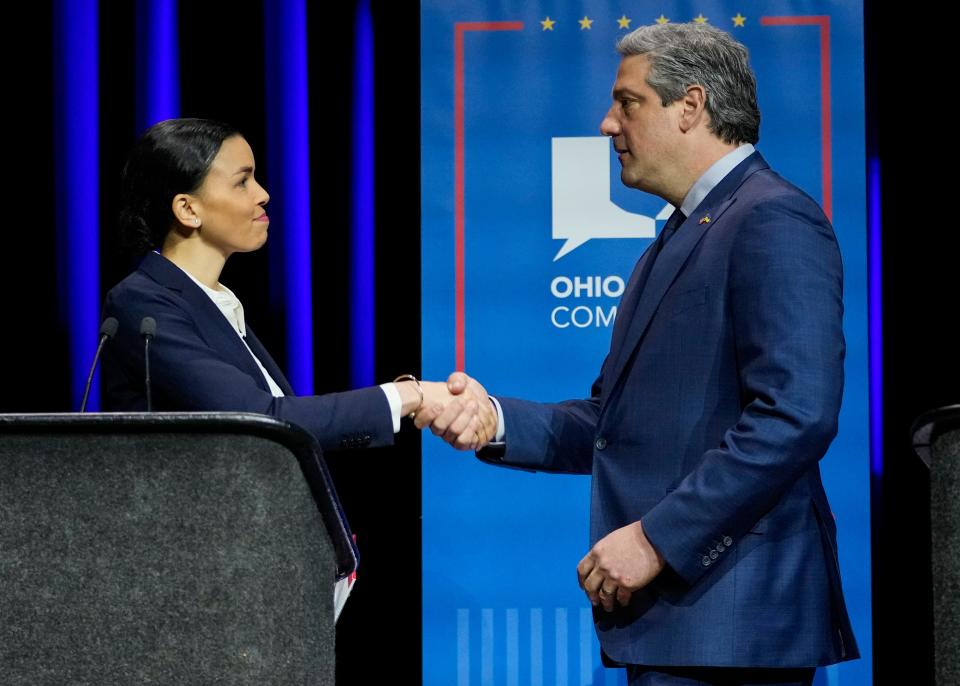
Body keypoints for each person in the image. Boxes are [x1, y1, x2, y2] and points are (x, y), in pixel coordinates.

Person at [430, 23, 859, 685]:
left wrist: (659, 537)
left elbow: (795, 414)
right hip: (680, 628)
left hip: (733, 626)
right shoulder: (672, 243)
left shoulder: (771, 218)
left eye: (627, 103)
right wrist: (493, 418)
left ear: (691, 106)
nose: (606, 124)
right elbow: (612, 425)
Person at [102, 118, 495, 452]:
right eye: (243, 182)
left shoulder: (215, 302)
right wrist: (412, 396)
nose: (263, 194)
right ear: (188, 209)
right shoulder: (142, 303)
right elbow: (261, 421)